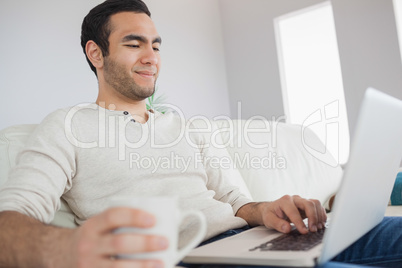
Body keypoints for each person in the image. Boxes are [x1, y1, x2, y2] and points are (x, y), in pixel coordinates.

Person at [0, 1, 401, 268]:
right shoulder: (67, 126)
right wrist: (70, 248)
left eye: (156, 45)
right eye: (133, 44)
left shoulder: (185, 126)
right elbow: (8, 223)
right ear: (96, 54)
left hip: (253, 240)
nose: (151, 57)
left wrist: (269, 210)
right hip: (195, 257)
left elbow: (236, 201)